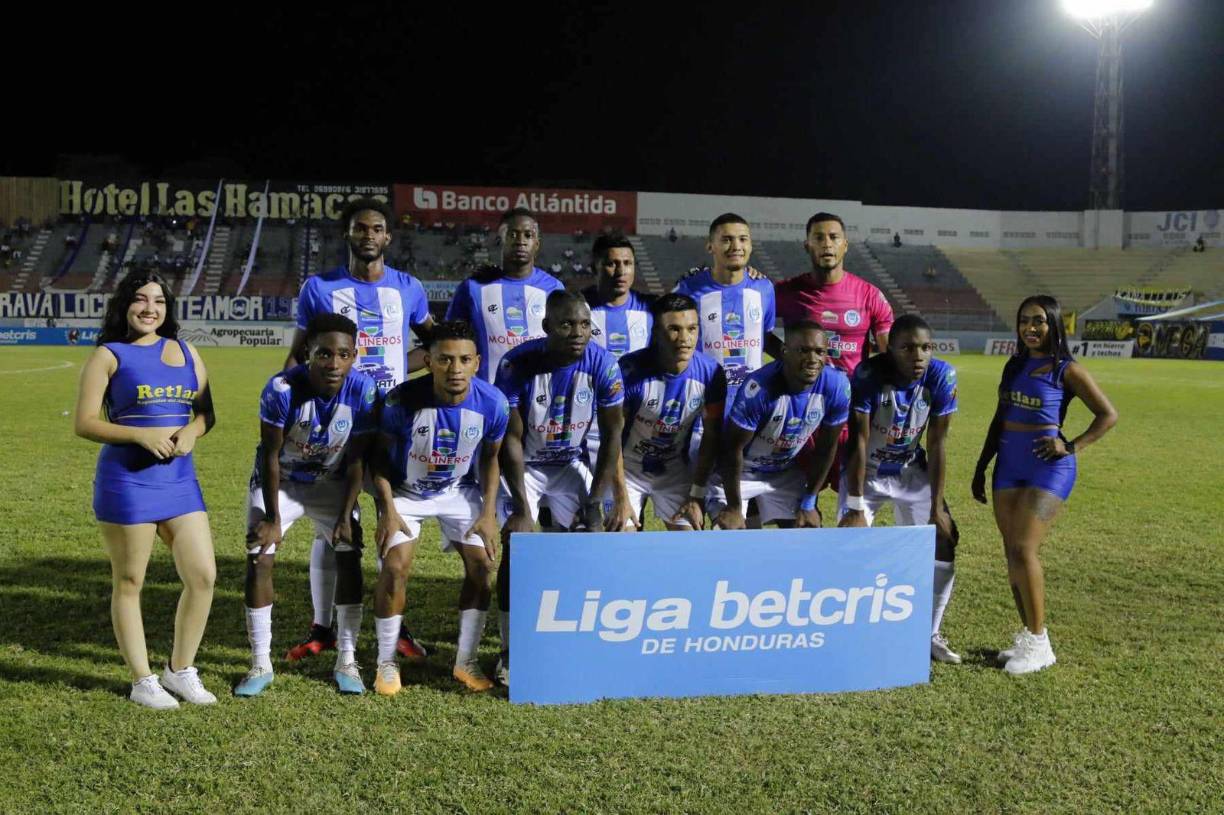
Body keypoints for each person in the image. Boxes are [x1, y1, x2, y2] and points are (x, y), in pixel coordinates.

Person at [285, 197, 434, 667]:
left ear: (387, 236)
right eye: (360, 228)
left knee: (394, 521)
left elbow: (436, 345)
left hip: (392, 425)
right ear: (347, 234)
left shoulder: (408, 288)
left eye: (376, 228)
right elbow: (299, 354)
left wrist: (403, 368)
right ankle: (322, 628)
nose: (368, 235)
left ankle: (396, 625)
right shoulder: (319, 288)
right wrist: (287, 407)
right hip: (336, 424)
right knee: (332, 523)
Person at [73, 271, 217, 709]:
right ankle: (142, 680)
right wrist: (139, 435)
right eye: (140, 299)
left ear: (167, 310)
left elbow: (206, 414)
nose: (149, 308)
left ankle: (180, 670)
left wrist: (192, 432)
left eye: (158, 301)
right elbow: (85, 423)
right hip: (127, 482)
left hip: (179, 481)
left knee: (203, 576)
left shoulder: (187, 352)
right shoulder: (108, 355)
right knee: (130, 580)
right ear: (125, 304)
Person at [972, 295, 1118, 675]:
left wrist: (1071, 446)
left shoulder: (1067, 370)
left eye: (1038, 321)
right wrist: (982, 465)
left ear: (1053, 324)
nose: (1030, 328)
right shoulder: (1014, 364)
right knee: (1011, 552)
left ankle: (1038, 644)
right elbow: (999, 419)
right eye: (1024, 321)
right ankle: (1030, 637)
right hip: (1008, 466)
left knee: (1024, 548)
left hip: (1050, 470)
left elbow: (1107, 415)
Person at [235, 314, 378, 698]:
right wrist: (272, 518)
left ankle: (347, 659)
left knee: (349, 554)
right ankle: (260, 663)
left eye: (343, 354)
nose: (334, 363)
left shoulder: (364, 390)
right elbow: (270, 455)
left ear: (354, 356)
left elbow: (358, 459)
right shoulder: (281, 389)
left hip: (332, 483)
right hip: (281, 482)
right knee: (260, 556)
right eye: (324, 354)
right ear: (307, 353)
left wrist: (346, 514)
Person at [494, 290, 630, 686]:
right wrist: (522, 508)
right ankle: (510, 650)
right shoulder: (517, 363)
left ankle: (579, 637)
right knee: (516, 547)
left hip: (569, 463)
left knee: (597, 544)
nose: (577, 332)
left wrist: (596, 501)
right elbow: (511, 440)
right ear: (547, 327)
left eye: (585, 324)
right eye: (567, 324)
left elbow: (613, 432)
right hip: (525, 466)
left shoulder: (603, 363)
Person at [371, 321, 509, 695]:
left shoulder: (494, 404)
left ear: (477, 362)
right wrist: (387, 509)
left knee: (482, 567)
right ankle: (386, 661)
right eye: (445, 359)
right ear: (428, 362)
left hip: (459, 492)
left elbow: (491, 459)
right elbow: (377, 460)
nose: (455, 369)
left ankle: (465, 662)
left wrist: (488, 513)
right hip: (405, 493)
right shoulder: (400, 402)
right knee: (395, 567)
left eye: (464, 359)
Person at [837, 314, 963, 663]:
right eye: (907, 348)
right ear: (889, 348)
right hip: (868, 472)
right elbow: (858, 441)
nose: (918, 356)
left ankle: (929, 633)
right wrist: (855, 505)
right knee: (850, 546)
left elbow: (937, 443)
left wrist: (937, 507)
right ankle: (850, 633)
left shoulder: (941, 376)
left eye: (925, 347)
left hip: (910, 468)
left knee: (944, 539)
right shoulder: (868, 375)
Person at [712, 321, 849, 530]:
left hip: (783, 472)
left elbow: (826, 448)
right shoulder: (759, 388)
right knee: (729, 533)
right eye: (803, 351)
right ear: (784, 351)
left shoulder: (837, 385)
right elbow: (732, 450)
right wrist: (733, 507)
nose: (813, 359)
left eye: (819, 352)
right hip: (739, 472)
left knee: (806, 530)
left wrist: (809, 502)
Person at [615, 293, 726, 530]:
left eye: (692, 329)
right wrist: (620, 495)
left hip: (674, 469)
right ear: (656, 332)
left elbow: (711, 437)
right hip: (627, 470)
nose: (685, 338)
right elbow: (611, 439)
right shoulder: (628, 371)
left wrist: (696, 495)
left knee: (690, 543)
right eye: (674, 329)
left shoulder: (712, 374)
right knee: (621, 538)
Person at [445, 208, 565, 383]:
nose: (520, 241)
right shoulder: (472, 288)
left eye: (528, 235)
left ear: (537, 244)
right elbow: (450, 339)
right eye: (512, 235)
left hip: (540, 393)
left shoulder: (554, 288)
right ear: (499, 240)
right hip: (487, 392)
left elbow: (563, 344)